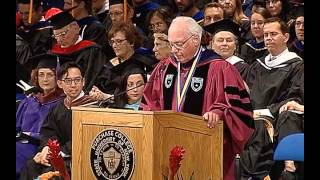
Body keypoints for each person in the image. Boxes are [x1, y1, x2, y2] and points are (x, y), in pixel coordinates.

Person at [141, 16, 254, 180]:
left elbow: (238, 108)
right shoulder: (165, 67)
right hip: (166, 145)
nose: (174, 50)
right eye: (171, 44)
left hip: (205, 146)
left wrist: (219, 112)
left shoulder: (219, 68)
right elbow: (149, 101)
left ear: (195, 40)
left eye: (179, 44)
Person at [240, 17, 304, 180]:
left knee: (260, 125)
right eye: (266, 34)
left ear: (286, 37)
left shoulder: (296, 65)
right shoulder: (257, 65)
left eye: (273, 34)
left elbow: (294, 98)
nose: (268, 38)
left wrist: (264, 112)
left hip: (275, 117)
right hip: (252, 115)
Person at [19, 62, 96, 180]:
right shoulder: (58, 107)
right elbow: (48, 132)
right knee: (31, 165)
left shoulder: (92, 107)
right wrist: (46, 148)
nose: (73, 85)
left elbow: (86, 138)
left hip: (78, 158)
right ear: (60, 83)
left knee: (52, 172)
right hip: (57, 155)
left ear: (83, 81)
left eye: (77, 80)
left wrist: (58, 153)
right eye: (68, 81)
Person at [16, 54, 67, 179]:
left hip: (39, 147)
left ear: (58, 78)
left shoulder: (61, 103)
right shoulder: (30, 100)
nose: (45, 79)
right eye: (41, 74)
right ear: (36, 77)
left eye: (50, 75)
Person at [46, 7, 107, 93]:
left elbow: (91, 79)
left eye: (63, 34)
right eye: (56, 36)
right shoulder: (52, 54)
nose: (59, 40)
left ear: (76, 28)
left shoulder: (91, 51)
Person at [96, 22, 156, 94]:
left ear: (131, 42)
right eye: (112, 42)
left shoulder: (144, 64)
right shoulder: (108, 66)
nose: (114, 45)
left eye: (119, 41)